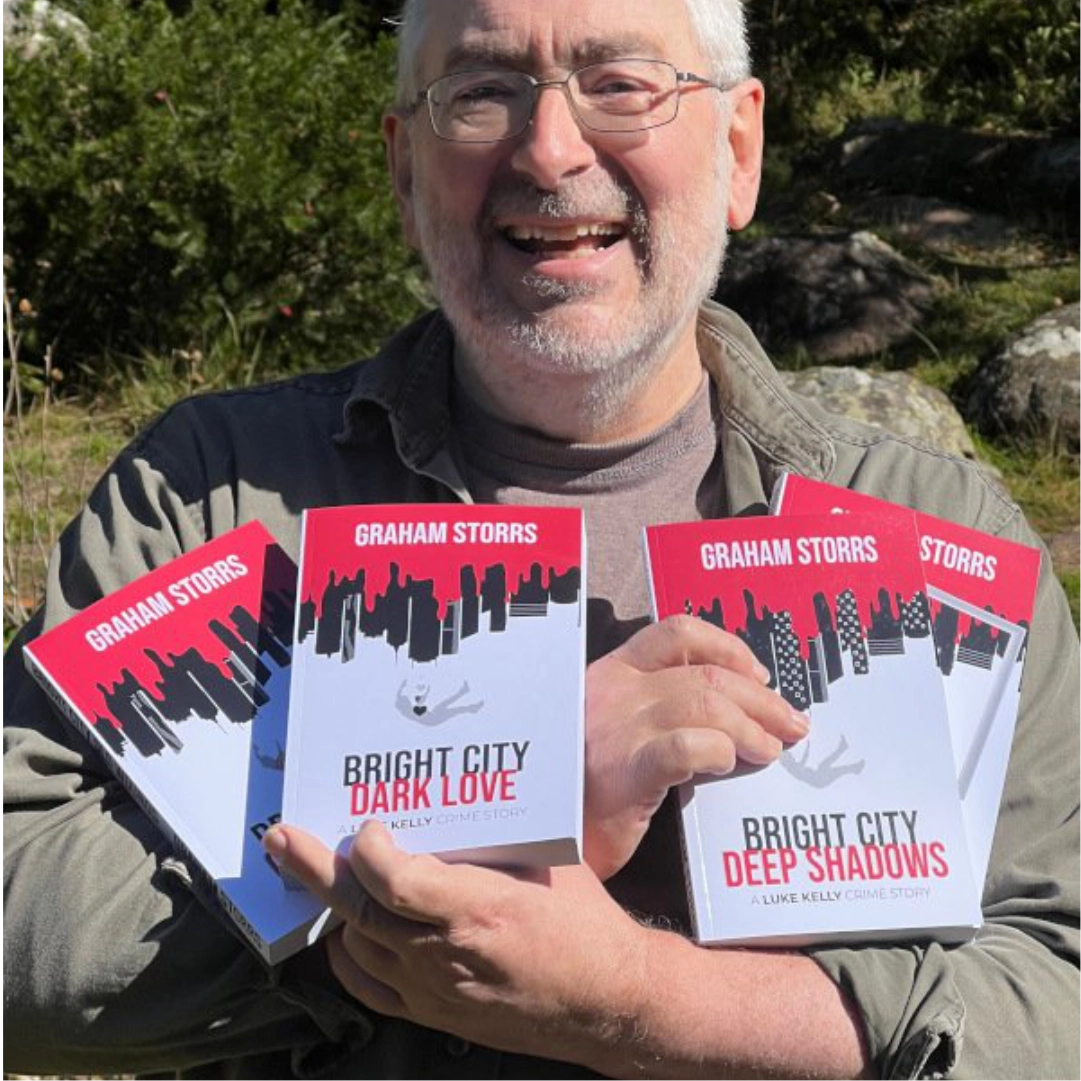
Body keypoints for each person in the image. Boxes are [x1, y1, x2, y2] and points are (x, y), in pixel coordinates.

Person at [3, 0, 1080, 1078]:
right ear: (403, 166)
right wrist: (516, 784)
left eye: (621, 84)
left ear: (739, 148)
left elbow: (1056, 980)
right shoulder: (210, 494)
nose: (550, 148)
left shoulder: (936, 529)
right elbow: (19, 932)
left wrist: (642, 999)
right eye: (479, 92)